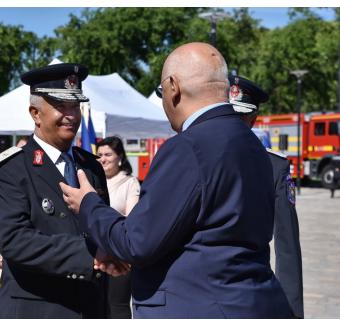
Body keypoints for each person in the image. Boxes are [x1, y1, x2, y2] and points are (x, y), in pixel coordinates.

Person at [60, 42, 293, 318]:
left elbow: (136, 241)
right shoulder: (253, 146)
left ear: (173, 86)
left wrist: (88, 204)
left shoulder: (189, 146)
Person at [0, 63, 127, 319]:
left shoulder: (90, 166)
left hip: (91, 306)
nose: (71, 115)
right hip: (38, 309)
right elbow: (14, 241)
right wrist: (91, 256)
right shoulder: (9, 170)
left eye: (76, 106)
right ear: (35, 113)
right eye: (61, 106)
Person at [229, 74, 304, 318]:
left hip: (250, 295)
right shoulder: (190, 156)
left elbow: (287, 244)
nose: (233, 123)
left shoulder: (274, 167)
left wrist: (291, 314)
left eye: (240, 117)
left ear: (253, 120)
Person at [97, 136, 140, 318]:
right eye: (99, 155)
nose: (103, 159)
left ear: (119, 157)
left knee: (117, 305)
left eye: (108, 154)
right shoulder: (93, 179)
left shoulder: (130, 182)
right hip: (94, 253)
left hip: (118, 252)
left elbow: (132, 218)